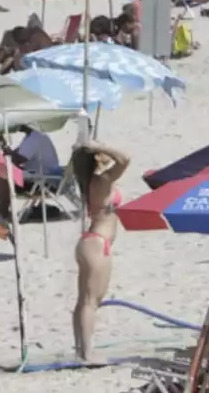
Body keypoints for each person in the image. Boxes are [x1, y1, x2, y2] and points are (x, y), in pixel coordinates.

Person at [72, 139, 130, 363]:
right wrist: (101, 146)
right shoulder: (103, 180)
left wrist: (94, 149)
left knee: (84, 300)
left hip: (90, 242)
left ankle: (81, 349)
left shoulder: (90, 181)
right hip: (97, 243)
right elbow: (125, 159)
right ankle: (87, 354)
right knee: (90, 301)